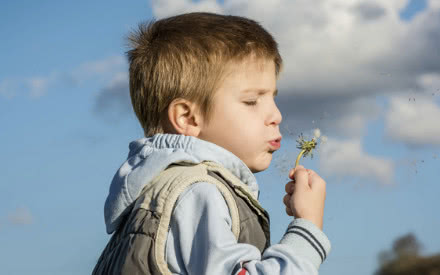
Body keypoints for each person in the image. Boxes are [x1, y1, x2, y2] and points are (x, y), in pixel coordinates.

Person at [93, 12, 331, 275]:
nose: (276, 116)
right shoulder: (197, 193)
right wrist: (307, 227)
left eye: (272, 97)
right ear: (187, 117)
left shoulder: (159, 194)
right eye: (252, 101)